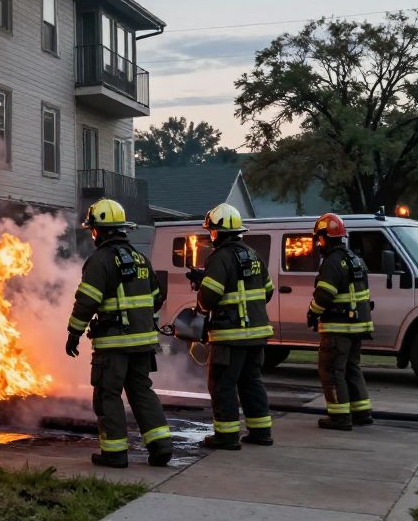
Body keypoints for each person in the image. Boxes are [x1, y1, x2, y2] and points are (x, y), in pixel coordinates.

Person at [66, 198, 173, 468]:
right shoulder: (140, 259)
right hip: (144, 343)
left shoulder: (99, 260)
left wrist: (74, 332)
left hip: (113, 344)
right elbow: (157, 297)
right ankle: (161, 446)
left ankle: (114, 452)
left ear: (100, 231)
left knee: (107, 394)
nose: (92, 235)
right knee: (141, 392)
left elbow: (87, 301)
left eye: (93, 230)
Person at [189, 202, 274, 450]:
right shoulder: (254, 255)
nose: (210, 235)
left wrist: (202, 289)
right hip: (257, 334)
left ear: (218, 232)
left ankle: (226, 436)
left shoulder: (219, 257)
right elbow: (267, 292)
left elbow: (209, 299)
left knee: (222, 383)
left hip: (230, 335)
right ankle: (261, 432)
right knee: (251, 382)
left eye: (211, 231)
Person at [307, 213, 375, 430]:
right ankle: (362, 412)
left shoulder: (332, 262)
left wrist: (312, 313)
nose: (319, 243)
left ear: (325, 237)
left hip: (338, 326)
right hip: (357, 325)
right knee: (351, 368)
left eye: (319, 238)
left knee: (331, 370)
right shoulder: (354, 259)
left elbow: (324, 295)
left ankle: (339, 417)